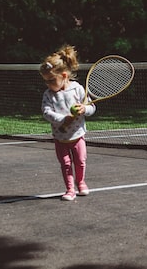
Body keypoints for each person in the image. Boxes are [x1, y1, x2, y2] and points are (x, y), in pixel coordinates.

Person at [39, 45, 96, 201]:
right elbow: (46, 112)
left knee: (80, 161)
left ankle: (81, 182)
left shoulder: (77, 89)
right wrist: (63, 119)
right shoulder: (48, 94)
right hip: (60, 138)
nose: (49, 84)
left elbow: (92, 107)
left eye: (51, 80)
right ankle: (70, 189)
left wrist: (84, 109)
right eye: (46, 81)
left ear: (64, 75)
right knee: (65, 164)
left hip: (78, 136)